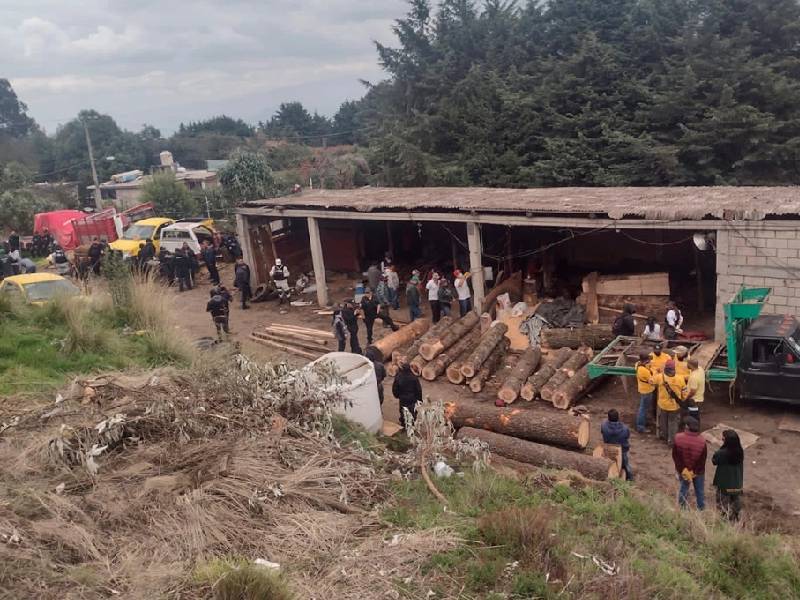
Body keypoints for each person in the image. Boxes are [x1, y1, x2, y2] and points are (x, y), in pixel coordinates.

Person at [672, 417, 707, 510]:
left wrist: (683, 469)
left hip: (683, 470)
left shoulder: (678, 438)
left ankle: (682, 509)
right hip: (698, 472)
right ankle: (701, 509)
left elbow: (676, 456)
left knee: (684, 488)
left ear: (687, 426)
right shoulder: (702, 441)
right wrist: (694, 471)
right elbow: (702, 460)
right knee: (699, 491)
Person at [712, 430, 744, 521]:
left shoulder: (722, 453)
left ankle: (724, 520)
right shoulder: (740, 451)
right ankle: (736, 517)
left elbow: (714, 460)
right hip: (736, 483)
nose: (722, 438)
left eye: (723, 438)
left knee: (722, 505)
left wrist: (722, 448)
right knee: (735, 501)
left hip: (724, 484)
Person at [657, 359, 685, 446]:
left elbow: (651, 381)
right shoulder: (680, 378)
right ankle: (671, 441)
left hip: (663, 404)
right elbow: (684, 391)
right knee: (673, 423)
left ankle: (665, 436)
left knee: (663, 421)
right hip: (674, 405)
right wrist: (683, 400)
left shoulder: (660, 377)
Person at [601, 409, 633, 481]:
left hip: (608, 448)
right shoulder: (625, 428)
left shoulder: (604, 425)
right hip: (622, 450)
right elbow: (627, 436)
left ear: (608, 417)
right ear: (618, 417)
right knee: (626, 465)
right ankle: (630, 479)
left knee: (607, 464)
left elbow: (602, 432)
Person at [393, 362, 422, 430]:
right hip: (412, 398)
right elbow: (418, 389)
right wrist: (419, 399)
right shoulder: (414, 378)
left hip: (403, 398)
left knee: (403, 411)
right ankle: (412, 426)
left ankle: (404, 425)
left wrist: (397, 395)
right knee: (412, 412)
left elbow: (395, 388)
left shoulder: (399, 377)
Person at [635, 352, 656, 434]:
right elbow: (652, 380)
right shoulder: (644, 371)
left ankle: (642, 423)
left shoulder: (638, 364)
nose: (650, 362)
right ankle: (641, 427)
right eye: (648, 360)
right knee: (643, 409)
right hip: (647, 391)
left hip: (643, 389)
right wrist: (655, 371)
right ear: (645, 361)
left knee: (643, 407)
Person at [685, 357, 705, 425]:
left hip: (694, 400)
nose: (686, 365)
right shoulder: (700, 369)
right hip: (699, 398)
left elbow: (693, 391)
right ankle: (696, 429)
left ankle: (694, 430)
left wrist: (686, 397)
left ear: (691, 365)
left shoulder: (694, 377)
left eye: (687, 364)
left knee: (693, 417)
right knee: (696, 415)